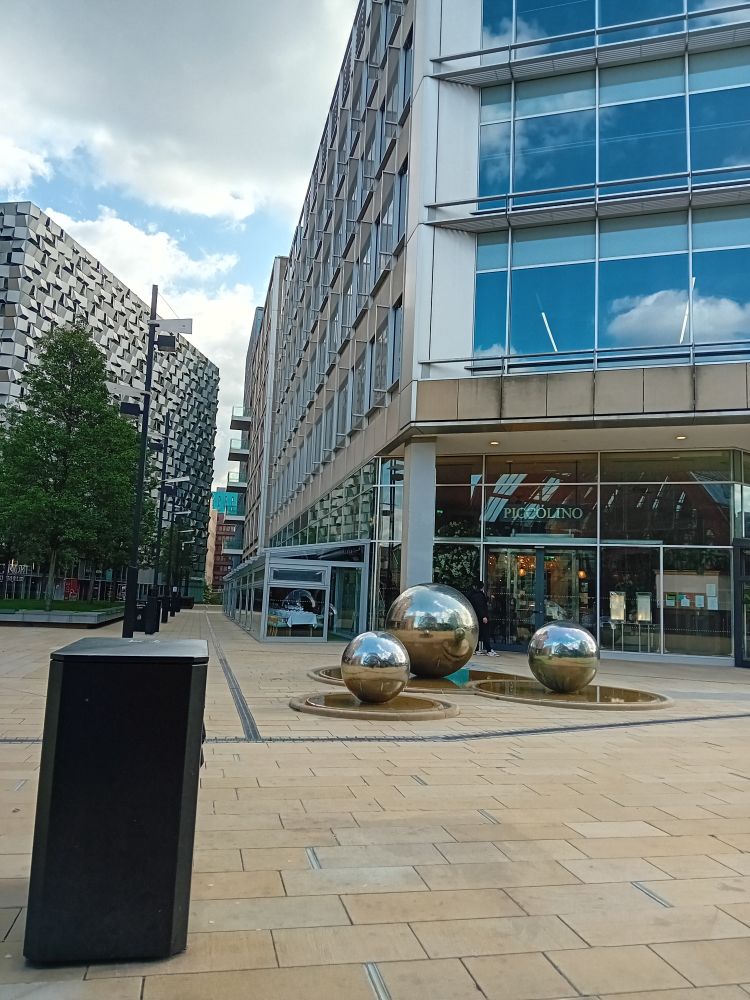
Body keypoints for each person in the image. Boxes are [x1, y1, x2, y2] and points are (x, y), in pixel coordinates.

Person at [469, 580, 497, 656]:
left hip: (476, 617)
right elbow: (480, 607)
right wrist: (484, 616)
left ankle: (477, 649)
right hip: (482, 617)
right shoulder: (479, 596)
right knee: (485, 633)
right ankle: (489, 650)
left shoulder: (473, 595)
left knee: (478, 633)